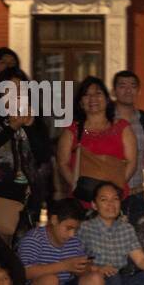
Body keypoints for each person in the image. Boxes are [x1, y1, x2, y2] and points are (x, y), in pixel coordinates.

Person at [0, 66, 51, 234]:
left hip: (27, 201)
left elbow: (43, 156)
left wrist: (30, 127)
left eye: (21, 90)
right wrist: (11, 127)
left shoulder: (33, 119)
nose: (16, 95)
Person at [55, 77, 136, 205]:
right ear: (81, 102)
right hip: (82, 200)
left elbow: (132, 162)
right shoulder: (71, 131)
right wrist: (78, 186)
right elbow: (62, 163)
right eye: (87, 95)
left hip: (114, 201)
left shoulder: (122, 128)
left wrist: (112, 190)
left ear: (107, 99)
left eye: (98, 93)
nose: (93, 99)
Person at [112, 70, 144, 222]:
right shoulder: (107, 118)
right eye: (122, 86)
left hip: (137, 191)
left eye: (132, 86)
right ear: (114, 91)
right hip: (110, 191)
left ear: (138, 90)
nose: (128, 90)